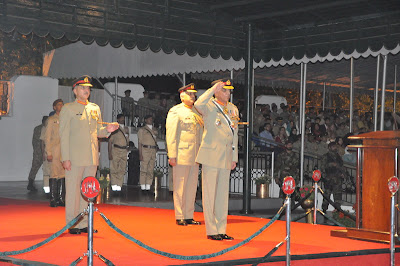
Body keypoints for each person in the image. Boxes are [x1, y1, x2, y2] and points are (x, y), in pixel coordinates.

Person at [60, 75, 119, 234]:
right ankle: (72, 224)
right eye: (83, 88)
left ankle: (85, 223)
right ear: (75, 90)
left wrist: (108, 130)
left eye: (88, 88)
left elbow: (98, 131)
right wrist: (65, 158)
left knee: (88, 192)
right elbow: (63, 135)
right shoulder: (68, 109)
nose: (86, 90)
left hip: (91, 157)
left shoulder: (95, 108)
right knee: (72, 192)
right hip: (74, 157)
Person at [195, 78, 238, 241]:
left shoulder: (233, 109)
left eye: (229, 91)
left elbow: (234, 135)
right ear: (216, 90)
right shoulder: (209, 105)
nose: (227, 94)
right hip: (211, 155)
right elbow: (198, 105)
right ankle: (212, 230)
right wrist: (212, 90)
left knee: (222, 196)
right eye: (224, 90)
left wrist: (234, 156)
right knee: (209, 194)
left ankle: (221, 228)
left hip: (226, 156)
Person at [166, 83, 203, 226]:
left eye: (194, 94)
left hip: (194, 155)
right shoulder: (176, 111)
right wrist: (172, 155)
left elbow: (199, 134)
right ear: (182, 96)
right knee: (180, 186)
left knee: (192, 187)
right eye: (190, 94)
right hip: (181, 154)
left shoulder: (196, 112)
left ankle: (189, 215)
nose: (193, 96)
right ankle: (180, 215)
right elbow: (171, 134)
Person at [45, 99, 65, 207]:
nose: (61, 106)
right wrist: (48, 152)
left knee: (63, 174)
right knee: (54, 173)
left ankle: (62, 199)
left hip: (64, 151)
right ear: (54, 107)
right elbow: (47, 138)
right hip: (54, 150)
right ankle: (53, 198)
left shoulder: (66, 119)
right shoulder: (51, 120)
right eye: (58, 105)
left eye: (62, 104)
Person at [321, 142, 345, 213]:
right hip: (329, 178)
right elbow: (322, 167)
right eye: (333, 147)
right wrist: (325, 177)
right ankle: (324, 209)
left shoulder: (338, 157)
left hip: (337, 179)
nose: (335, 148)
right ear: (329, 148)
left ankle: (337, 209)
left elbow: (341, 167)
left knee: (337, 195)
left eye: (335, 147)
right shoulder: (326, 156)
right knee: (327, 196)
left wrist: (342, 174)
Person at [108, 114, 129, 193]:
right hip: (116, 149)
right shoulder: (114, 128)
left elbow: (127, 140)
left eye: (123, 118)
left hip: (124, 150)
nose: (123, 120)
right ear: (118, 119)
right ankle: (114, 186)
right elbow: (110, 142)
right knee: (114, 168)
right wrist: (109, 153)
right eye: (121, 118)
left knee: (122, 169)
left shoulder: (126, 129)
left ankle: (119, 186)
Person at [137, 114, 158, 192]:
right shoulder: (142, 130)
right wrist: (140, 154)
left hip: (153, 149)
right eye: (149, 119)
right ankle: (143, 186)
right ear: (145, 120)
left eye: (151, 119)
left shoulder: (155, 130)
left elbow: (155, 140)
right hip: (145, 149)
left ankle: (148, 186)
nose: (151, 120)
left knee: (151, 169)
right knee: (144, 169)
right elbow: (139, 142)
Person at [27, 116, 48, 191]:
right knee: (38, 168)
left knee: (34, 168)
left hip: (38, 151)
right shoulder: (44, 129)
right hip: (41, 152)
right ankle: (31, 183)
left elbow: (34, 141)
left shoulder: (37, 128)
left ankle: (30, 183)